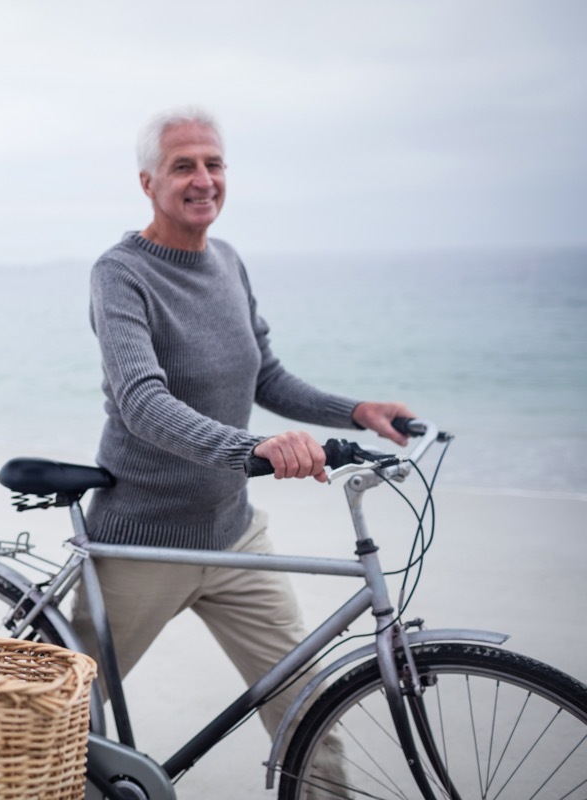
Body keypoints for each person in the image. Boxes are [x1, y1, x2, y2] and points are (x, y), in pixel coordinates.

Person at [73, 107, 412, 792]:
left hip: (234, 537)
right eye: (183, 165)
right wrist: (252, 448)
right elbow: (143, 403)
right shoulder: (121, 273)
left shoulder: (227, 260)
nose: (203, 179)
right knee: (54, 718)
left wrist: (356, 411)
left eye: (214, 163)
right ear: (148, 182)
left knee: (313, 720)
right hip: (146, 543)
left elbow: (265, 376)